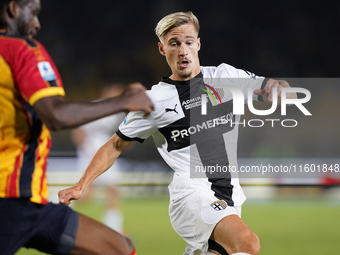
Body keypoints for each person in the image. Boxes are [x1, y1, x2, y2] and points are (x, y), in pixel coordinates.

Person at [59, 11, 297, 255]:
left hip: (229, 194)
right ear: (162, 49)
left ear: (198, 44)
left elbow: (279, 89)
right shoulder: (154, 101)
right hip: (192, 193)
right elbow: (114, 146)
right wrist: (81, 186)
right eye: (174, 43)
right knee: (248, 244)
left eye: (188, 42)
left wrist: (279, 91)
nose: (183, 50)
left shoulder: (226, 76)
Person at [0, 0, 154, 254]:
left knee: (120, 248)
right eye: (34, 13)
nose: (37, 24)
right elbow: (56, 115)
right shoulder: (22, 50)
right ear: (14, 9)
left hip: (33, 205)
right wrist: (122, 101)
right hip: (12, 198)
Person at [71, 84, 126, 233]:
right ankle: (59, 205)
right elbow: (79, 130)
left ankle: (114, 229)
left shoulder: (116, 111)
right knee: (91, 193)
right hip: (93, 152)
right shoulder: (97, 108)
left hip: (104, 151)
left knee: (109, 190)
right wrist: (88, 152)